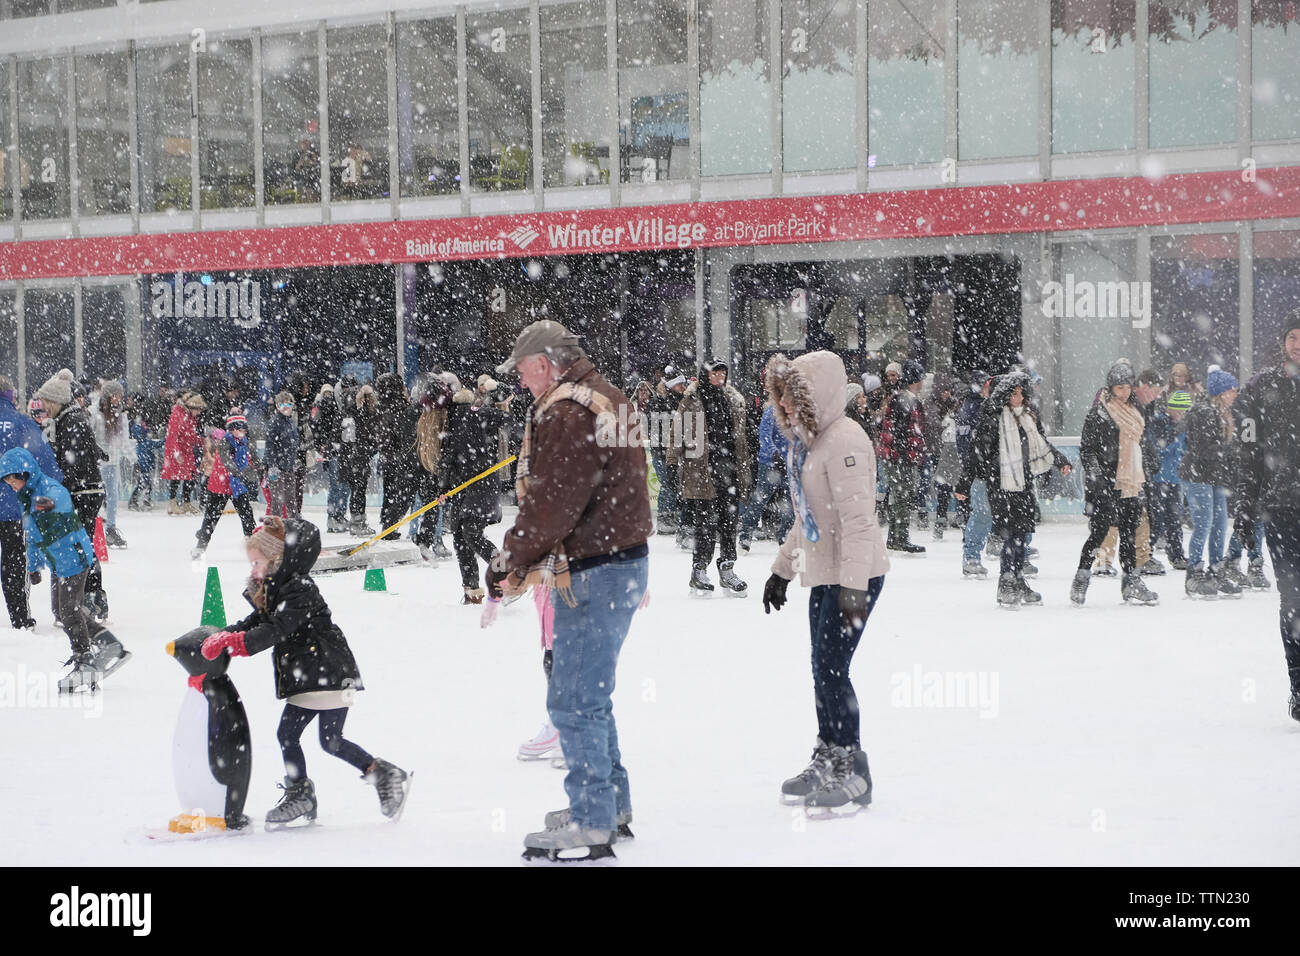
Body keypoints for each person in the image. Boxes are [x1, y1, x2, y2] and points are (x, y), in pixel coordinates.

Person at [485, 319, 651, 863]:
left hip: (596, 567)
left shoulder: (567, 411)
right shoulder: (609, 396)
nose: (521, 382)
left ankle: (591, 818)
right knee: (591, 692)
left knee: (574, 698)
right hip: (624, 560)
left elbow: (553, 503)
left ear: (545, 363)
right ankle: (610, 803)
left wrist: (509, 557)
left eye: (524, 371)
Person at [200, 516, 410, 823]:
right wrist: (223, 635)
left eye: (257, 562)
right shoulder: (275, 589)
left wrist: (239, 642)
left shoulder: (300, 589)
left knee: (318, 738)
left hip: (328, 672)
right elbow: (255, 623)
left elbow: (276, 628)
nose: (253, 570)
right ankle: (323, 788)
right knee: (311, 737)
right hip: (314, 674)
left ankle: (314, 790)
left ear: (278, 559)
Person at [760, 351, 888, 815]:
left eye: (792, 396)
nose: (784, 405)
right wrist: (781, 570)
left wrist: (853, 587)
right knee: (822, 667)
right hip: (825, 574)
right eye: (781, 397)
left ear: (818, 395)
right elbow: (807, 519)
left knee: (834, 668)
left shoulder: (845, 440)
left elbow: (858, 522)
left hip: (855, 574)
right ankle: (829, 752)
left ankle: (853, 767)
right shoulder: (810, 443)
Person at [0, 447, 130, 691]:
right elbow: (33, 537)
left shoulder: (47, 489)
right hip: (60, 562)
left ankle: (84, 660)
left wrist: (45, 505)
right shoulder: (27, 499)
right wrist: (33, 567)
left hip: (75, 558)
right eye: (8, 483)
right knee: (64, 610)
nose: (12, 486)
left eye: (13, 480)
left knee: (69, 611)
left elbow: (61, 500)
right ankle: (109, 644)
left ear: (25, 474)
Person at [956, 370, 1072, 607]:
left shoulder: (1027, 417)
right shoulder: (992, 417)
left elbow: (1041, 444)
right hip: (1001, 484)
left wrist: (1060, 460)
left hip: (1024, 483)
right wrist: (964, 483)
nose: (1019, 398)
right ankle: (1006, 582)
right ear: (1004, 395)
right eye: (1014, 394)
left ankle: (1018, 579)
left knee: (1021, 534)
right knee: (1010, 533)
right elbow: (977, 452)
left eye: (1021, 393)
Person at [1234, 308, 1300, 721]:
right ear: (1283, 343)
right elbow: (1248, 455)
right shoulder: (1259, 388)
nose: (1298, 344)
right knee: (1292, 600)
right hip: (1281, 509)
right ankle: (1299, 685)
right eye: (1293, 337)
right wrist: (1244, 506)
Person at [1071, 362, 1160, 607]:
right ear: (1110, 388)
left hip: (1131, 480)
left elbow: (1139, 442)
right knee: (1099, 533)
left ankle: (1131, 581)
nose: (1124, 392)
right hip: (1107, 482)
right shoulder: (1099, 413)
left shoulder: (1136, 409)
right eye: (1119, 388)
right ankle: (1082, 576)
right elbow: (1087, 450)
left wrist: (1149, 462)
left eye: (1127, 387)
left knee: (1129, 532)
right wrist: (1097, 477)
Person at [35, 369, 111, 624]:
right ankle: (87, 599)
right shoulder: (67, 419)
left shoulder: (72, 421)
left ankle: (90, 599)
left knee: (80, 546)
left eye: (46, 401)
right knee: (79, 544)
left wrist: (57, 487)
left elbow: (72, 462)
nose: (43, 406)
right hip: (82, 490)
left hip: (83, 492)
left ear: (56, 400)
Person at [670, 359, 750, 595]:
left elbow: (741, 438)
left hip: (729, 471)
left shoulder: (732, 400)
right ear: (706, 375)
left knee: (729, 522)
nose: (720, 377)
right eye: (715, 373)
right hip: (702, 470)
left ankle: (727, 568)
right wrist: (673, 463)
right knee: (704, 523)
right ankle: (699, 570)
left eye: (723, 373)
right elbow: (677, 433)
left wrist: (745, 467)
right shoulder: (691, 401)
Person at [0, 376, 62, 630]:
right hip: (12, 506)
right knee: (14, 561)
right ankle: (20, 618)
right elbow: (46, 462)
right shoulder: (22, 423)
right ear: (10, 396)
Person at [439, 377, 507, 603]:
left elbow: (447, 461)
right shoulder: (479, 414)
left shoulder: (458, 422)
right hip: (477, 486)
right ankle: (472, 590)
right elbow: (505, 417)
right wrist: (499, 399)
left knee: (469, 535)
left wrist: (441, 488)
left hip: (474, 486)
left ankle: (505, 572)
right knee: (463, 536)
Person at [1180, 369, 1242, 599]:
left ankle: (1216, 570)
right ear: (1221, 392)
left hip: (1214, 476)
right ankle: (1194, 572)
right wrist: (1229, 452)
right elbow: (1203, 448)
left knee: (1219, 524)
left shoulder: (1222, 413)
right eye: (1232, 390)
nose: (1235, 394)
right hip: (1198, 475)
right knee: (1204, 523)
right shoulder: (1204, 412)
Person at [192, 409, 260, 560]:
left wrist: (259, 467)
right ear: (232, 429)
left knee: (247, 515)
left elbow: (252, 457)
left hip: (237, 485)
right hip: (220, 485)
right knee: (211, 517)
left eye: (244, 428)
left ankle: (253, 546)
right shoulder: (225, 441)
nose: (243, 431)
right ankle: (200, 546)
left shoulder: (245, 441)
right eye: (240, 428)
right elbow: (226, 461)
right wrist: (239, 472)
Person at [878, 360, 927, 553]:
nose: (923, 382)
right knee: (903, 497)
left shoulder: (900, 397)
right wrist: (907, 455)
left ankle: (895, 537)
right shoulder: (905, 400)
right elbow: (901, 431)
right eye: (921, 378)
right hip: (900, 457)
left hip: (897, 456)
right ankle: (900, 537)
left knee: (900, 496)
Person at [739, 394, 792, 551]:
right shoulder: (771, 412)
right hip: (770, 464)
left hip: (789, 464)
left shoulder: (795, 414)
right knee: (760, 501)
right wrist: (775, 454)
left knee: (789, 503)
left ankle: (784, 535)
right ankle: (746, 535)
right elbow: (765, 436)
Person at [375, 373, 421, 541]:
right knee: (401, 496)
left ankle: (387, 524)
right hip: (400, 458)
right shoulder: (401, 407)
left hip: (386, 456)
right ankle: (390, 526)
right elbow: (403, 433)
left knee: (390, 493)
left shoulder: (381, 406)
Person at [956, 372, 993, 577]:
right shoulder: (974, 409)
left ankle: (989, 546)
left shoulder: (974, 407)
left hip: (982, 467)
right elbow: (969, 445)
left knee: (984, 512)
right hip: (980, 469)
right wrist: (970, 469)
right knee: (981, 513)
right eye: (986, 385)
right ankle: (972, 554)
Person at [1149, 390, 1191, 571]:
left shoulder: (1183, 425)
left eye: (1185, 411)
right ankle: (1145, 555)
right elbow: (1159, 448)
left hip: (1175, 478)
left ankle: (1177, 555)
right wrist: (1175, 434)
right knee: (1156, 519)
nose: (1182, 414)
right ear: (1171, 408)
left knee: (1174, 519)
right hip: (1158, 478)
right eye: (1179, 410)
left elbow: (1184, 449)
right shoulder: (1159, 422)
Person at [649, 370, 689, 544]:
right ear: (672, 386)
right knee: (668, 483)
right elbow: (657, 429)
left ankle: (672, 515)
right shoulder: (659, 402)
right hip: (662, 451)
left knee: (675, 484)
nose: (683, 387)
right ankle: (665, 518)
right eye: (679, 384)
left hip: (675, 450)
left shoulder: (681, 401)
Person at [90, 380, 130, 549]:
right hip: (98, 462)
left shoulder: (121, 415)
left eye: (120, 395)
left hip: (113, 461)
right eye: (115, 395)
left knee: (113, 496)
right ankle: (94, 528)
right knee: (97, 496)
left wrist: (131, 456)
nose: (118, 399)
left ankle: (111, 529)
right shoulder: (96, 413)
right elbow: (90, 436)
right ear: (107, 396)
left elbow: (124, 439)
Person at [340, 384, 379, 536]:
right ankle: (357, 522)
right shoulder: (356, 416)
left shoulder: (350, 415)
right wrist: (369, 449)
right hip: (357, 459)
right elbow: (353, 440)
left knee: (358, 490)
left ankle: (358, 520)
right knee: (358, 490)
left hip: (355, 458)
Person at [163, 391, 206, 515]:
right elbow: (172, 435)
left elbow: (190, 433)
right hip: (177, 449)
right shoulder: (178, 414)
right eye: (197, 410)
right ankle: (172, 504)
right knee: (176, 477)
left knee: (190, 476)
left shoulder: (190, 417)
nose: (199, 413)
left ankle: (186, 503)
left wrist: (200, 441)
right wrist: (176, 453)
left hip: (187, 450)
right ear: (190, 407)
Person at [313, 382, 347, 533]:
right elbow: (317, 428)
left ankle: (338, 515)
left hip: (337, 449)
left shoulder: (337, 408)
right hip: (333, 450)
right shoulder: (326, 408)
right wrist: (323, 446)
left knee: (342, 485)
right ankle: (334, 516)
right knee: (336, 485)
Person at [264, 391, 299, 519]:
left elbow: (293, 444)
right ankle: (275, 526)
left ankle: (295, 525)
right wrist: (272, 466)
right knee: (277, 502)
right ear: (277, 406)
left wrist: (294, 460)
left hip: (288, 467)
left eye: (289, 404)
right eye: (283, 404)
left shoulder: (291, 422)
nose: (286, 407)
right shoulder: (274, 422)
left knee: (291, 500)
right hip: (276, 468)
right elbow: (270, 446)